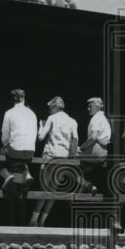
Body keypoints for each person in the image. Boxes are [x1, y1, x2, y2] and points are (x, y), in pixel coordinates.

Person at [29, 96, 80, 227]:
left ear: (55, 106)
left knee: (43, 189)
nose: (49, 110)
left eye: (50, 107)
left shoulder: (51, 119)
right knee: (53, 190)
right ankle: (42, 222)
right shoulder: (72, 121)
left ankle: (33, 220)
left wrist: (41, 126)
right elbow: (75, 139)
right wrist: (72, 157)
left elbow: (41, 137)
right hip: (64, 158)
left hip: (50, 156)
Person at [0, 88, 37, 200]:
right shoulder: (32, 114)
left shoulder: (9, 113)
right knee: (20, 158)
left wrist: (6, 146)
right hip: (30, 151)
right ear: (23, 98)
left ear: (12, 100)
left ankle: (8, 176)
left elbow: (4, 136)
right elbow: (34, 133)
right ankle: (27, 174)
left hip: (15, 150)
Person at [79, 97, 111, 197]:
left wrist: (81, 148)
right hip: (103, 152)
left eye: (90, 106)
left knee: (69, 163)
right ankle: (89, 185)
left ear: (98, 106)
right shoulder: (104, 118)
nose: (88, 109)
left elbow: (92, 138)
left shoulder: (96, 118)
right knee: (85, 168)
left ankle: (86, 184)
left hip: (95, 149)